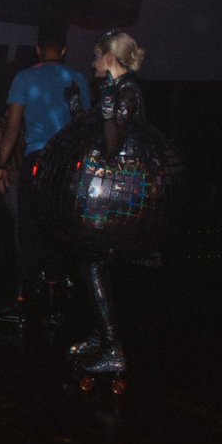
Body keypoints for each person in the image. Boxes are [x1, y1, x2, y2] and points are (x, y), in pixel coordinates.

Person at [0, 19, 90, 326]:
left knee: (29, 231)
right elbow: (85, 126)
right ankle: (55, 302)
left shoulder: (26, 78)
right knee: (58, 230)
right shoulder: (78, 78)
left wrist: (1, 165)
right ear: (65, 50)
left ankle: (23, 300)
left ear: (38, 48)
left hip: (38, 162)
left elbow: (13, 127)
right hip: (67, 165)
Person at [68, 29, 148, 379]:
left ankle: (113, 349)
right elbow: (97, 131)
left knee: (92, 261)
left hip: (122, 191)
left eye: (97, 56)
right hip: (114, 187)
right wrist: (79, 109)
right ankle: (103, 337)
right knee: (90, 261)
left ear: (110, 58)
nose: (93, 62)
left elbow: (113, 144)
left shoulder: (126, 91)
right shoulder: (117, 89)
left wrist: (105, 106)